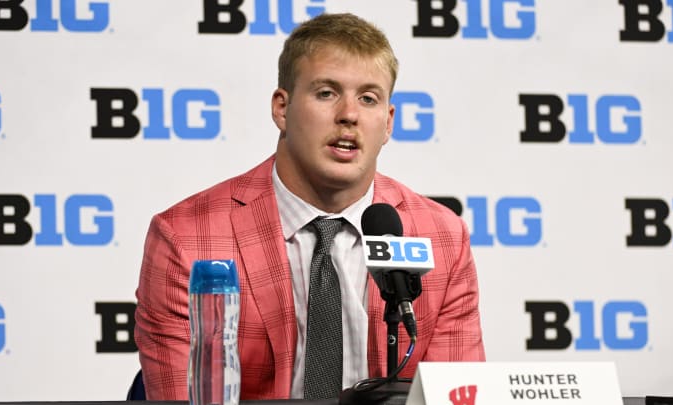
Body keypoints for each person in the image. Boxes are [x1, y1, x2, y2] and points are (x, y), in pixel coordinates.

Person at [134, 12, 485, 401]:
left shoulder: (442, 237)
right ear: (282, 109)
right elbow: (185, 399)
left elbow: (457, 395)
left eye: (368, 98)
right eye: (326, 93)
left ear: (387, 123)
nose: (349, 115)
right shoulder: (186, 239)